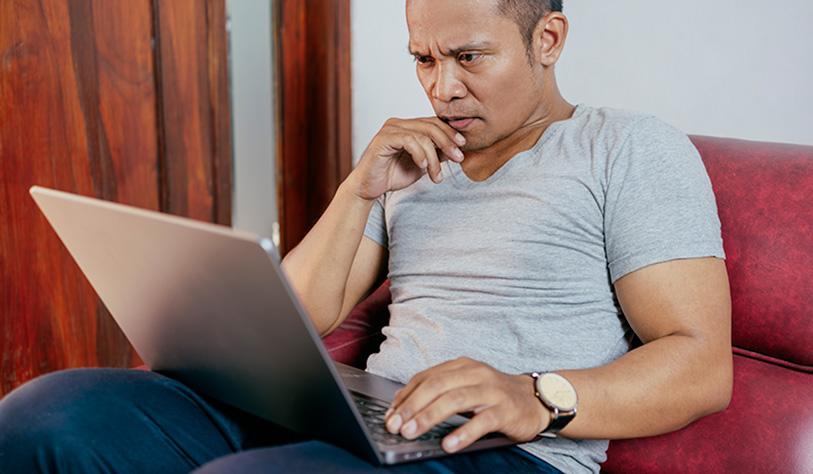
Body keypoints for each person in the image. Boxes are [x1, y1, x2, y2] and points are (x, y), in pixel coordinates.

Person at [0, 0, 732, 473]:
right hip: (365, 421)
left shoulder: (628, 149)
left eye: (468, 57)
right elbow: (296, 316)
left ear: (547, 39)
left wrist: (538, 395)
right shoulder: (417, 156)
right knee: (48, 416)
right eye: (423, 59)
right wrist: (360, 188)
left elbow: (700, 365)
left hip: (503, 451)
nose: (441, 88)